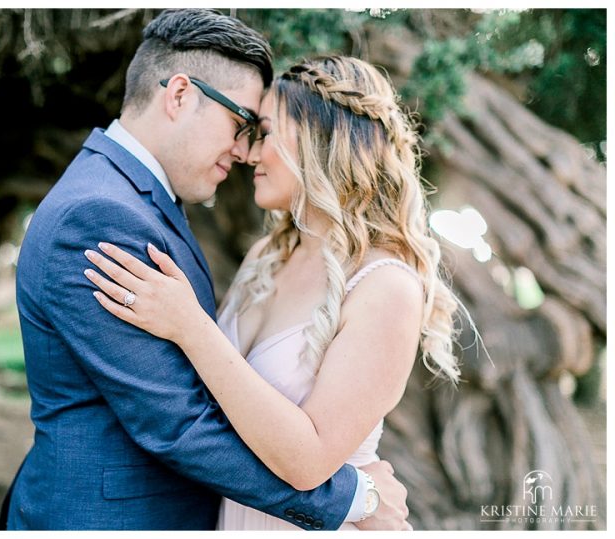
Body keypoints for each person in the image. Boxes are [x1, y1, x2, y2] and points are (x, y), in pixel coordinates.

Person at [0, 10, 409, 531]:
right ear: (179, 96)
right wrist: (352, 499)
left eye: (257, 133)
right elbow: (176, 420)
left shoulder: (134, 201)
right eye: (241, 125)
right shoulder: (101, 215)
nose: (243, 152)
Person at [84, 54, 463, 530]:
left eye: (264, 133)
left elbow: (309, 460)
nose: (248, 153)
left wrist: (188, 325)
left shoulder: (385, 286)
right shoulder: (266, 255)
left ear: (322, 139)